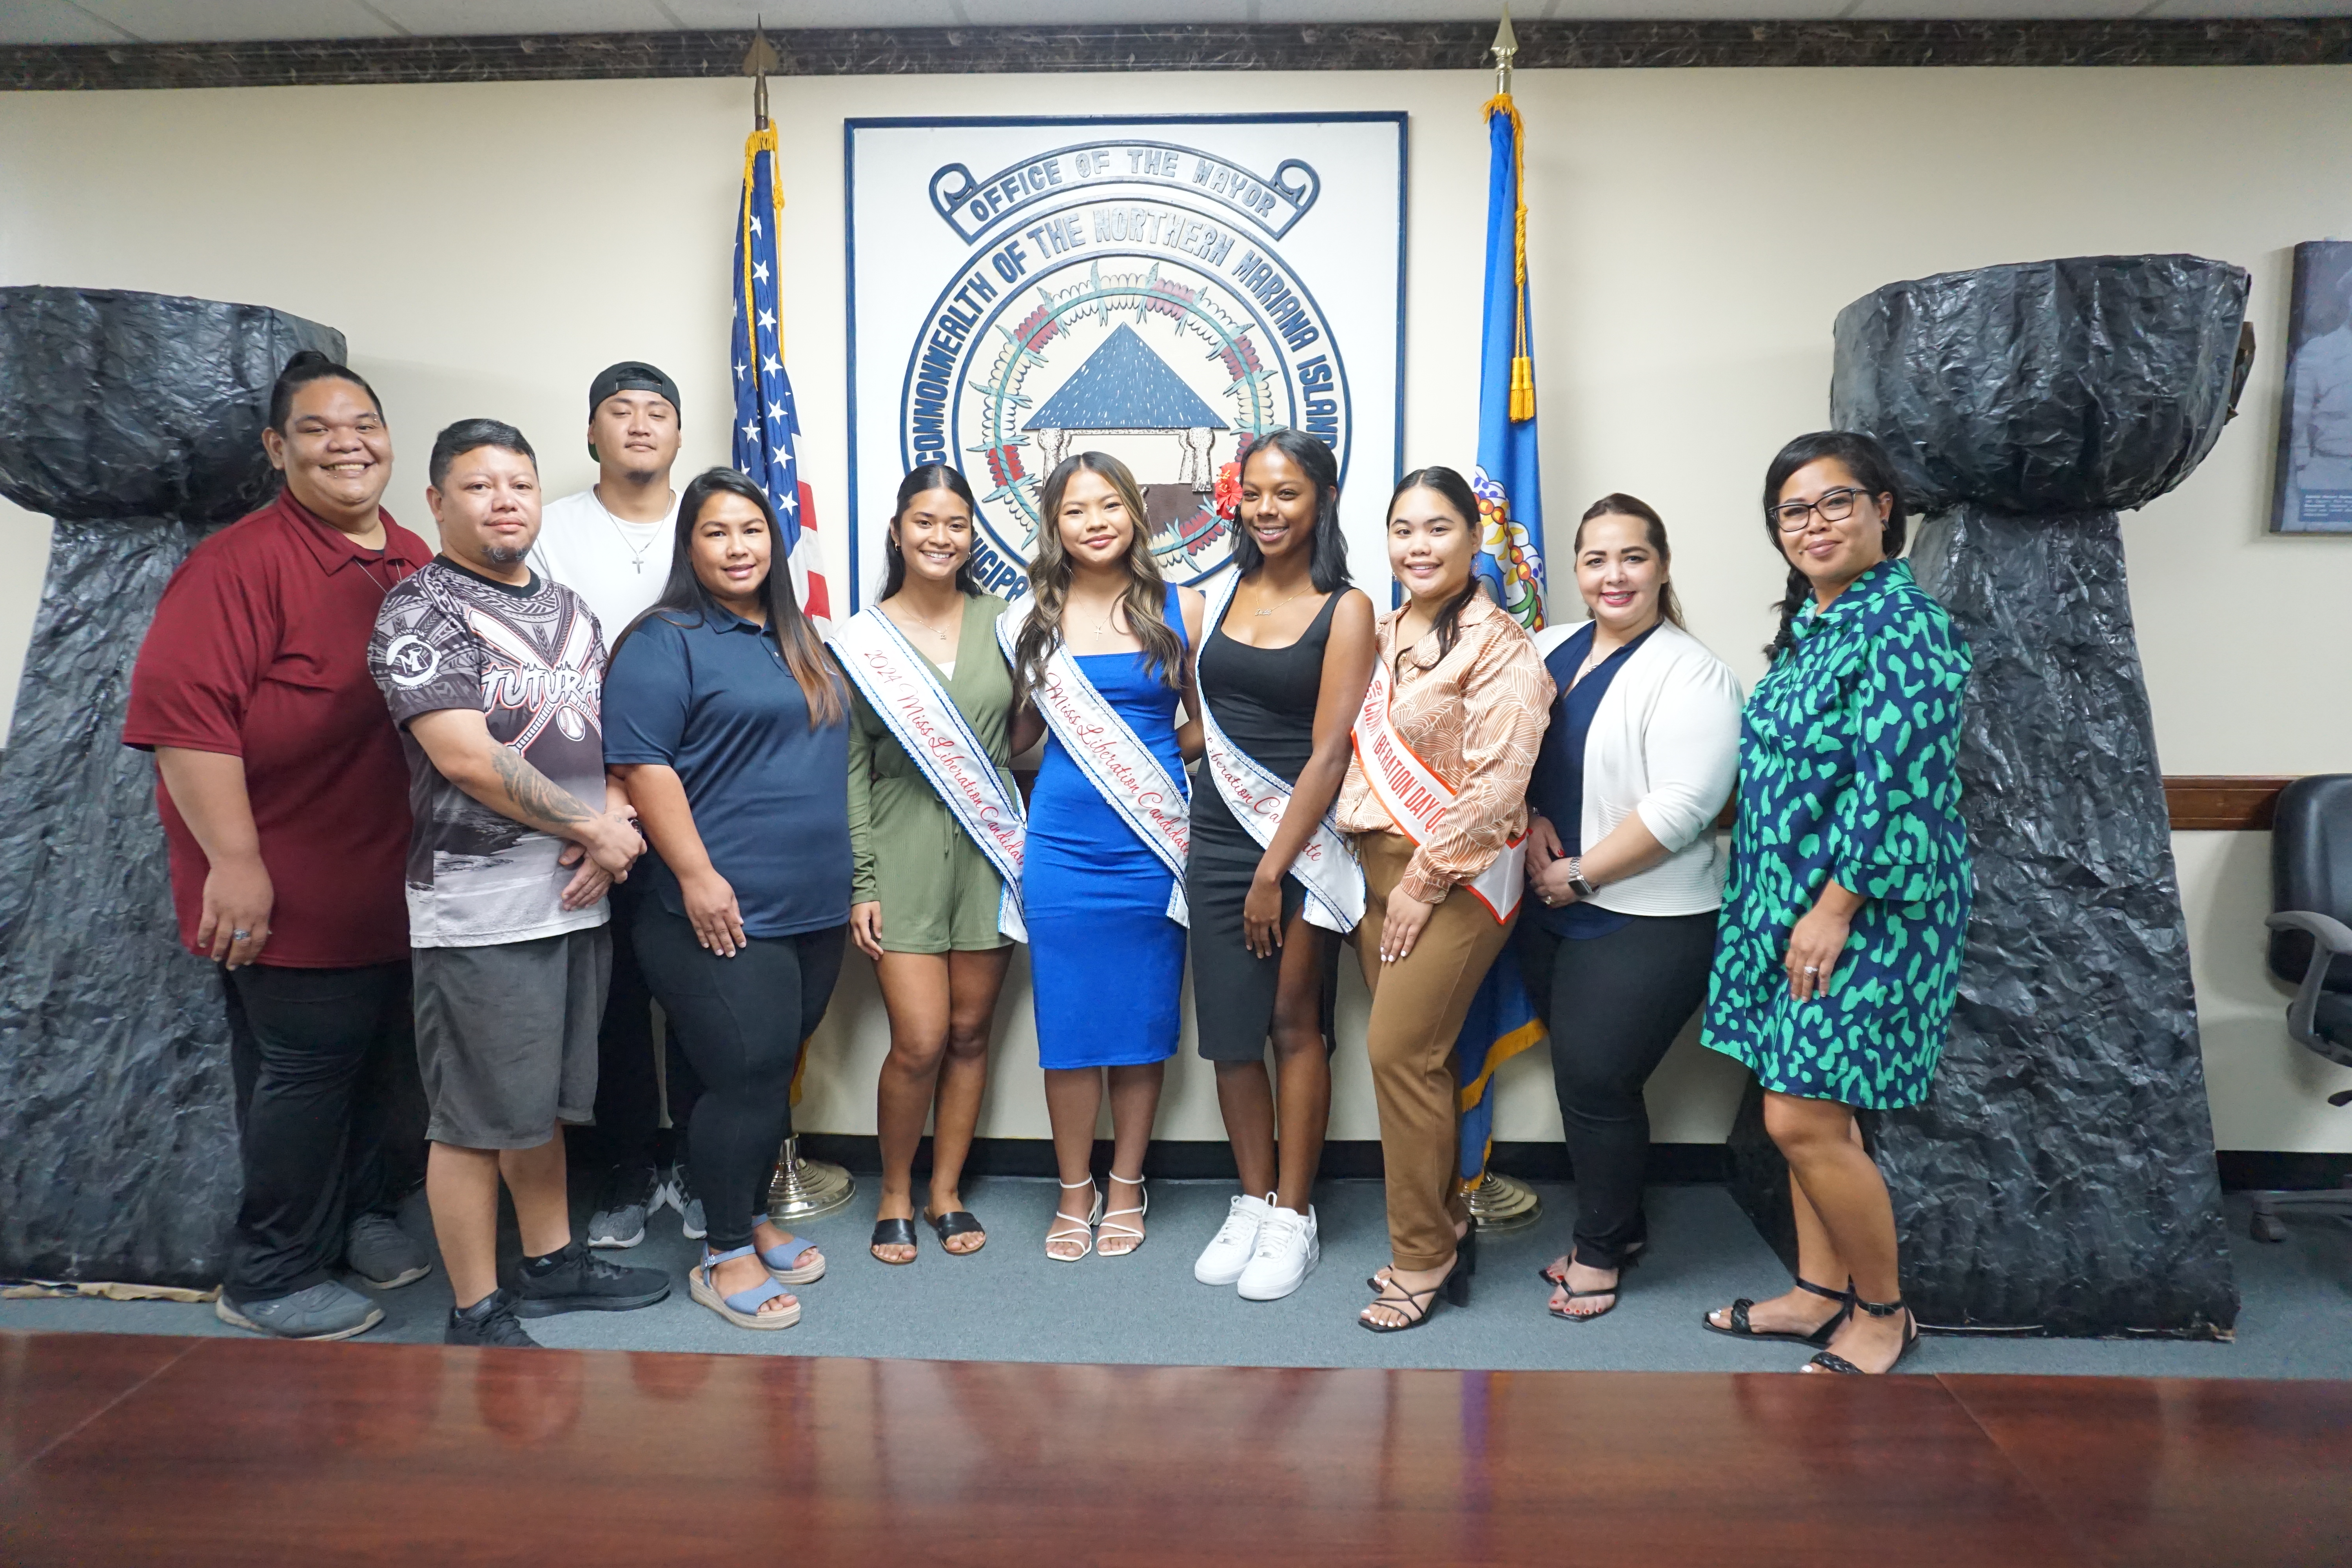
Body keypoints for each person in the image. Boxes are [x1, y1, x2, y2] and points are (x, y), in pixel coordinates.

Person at [124, 350, 435, 1342]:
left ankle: (362, 1218)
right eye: (316, 427)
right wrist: (237, 864)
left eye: (364, 424)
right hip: (286, 884)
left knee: (392, 1068)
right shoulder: (235, 565)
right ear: (277, 447)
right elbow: (186, 726)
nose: (347, 442)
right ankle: (269, 1270)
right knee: (303, 1076)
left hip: (397, 882)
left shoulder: (414, 557)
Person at [369, 418, 670, 1348]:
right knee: (471, 1117)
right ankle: (475, 1308)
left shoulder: (573, 608)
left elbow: (597, 741)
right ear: (437, 503)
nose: (504, 502)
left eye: (520, 485)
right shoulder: (420, 611)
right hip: (481, 908)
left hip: (575, 899)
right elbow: (464, 755)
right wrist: (596, 830)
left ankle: (550, 1261)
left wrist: (609, 823)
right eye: (479, 485)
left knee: (538, 1102)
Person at [1700, 430, 1971, 1375]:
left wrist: (1836, 906)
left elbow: (1896, 783)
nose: (1814, 524)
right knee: (1819, 1115)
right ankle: (1818, 1292)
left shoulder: (1906, 624)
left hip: (1865, 911)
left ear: (1883, 507)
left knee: (1801, 1119)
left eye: (1835, 501)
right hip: (1789, 905)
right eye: (1793, 510)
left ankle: (1887, 1311)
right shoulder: (1821, 621)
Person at [603, 468, 849, 1330]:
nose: (739, 547)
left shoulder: (800, 636)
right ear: (690, 544)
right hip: (712, 905)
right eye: (717, 531)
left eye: (753, 529)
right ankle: (722, 1254)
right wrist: (700, 876)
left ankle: (742, 1212)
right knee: (748, 1074)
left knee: (757, 1073)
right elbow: (642, 765)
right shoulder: (664, 638)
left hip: (813, 906)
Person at [1337, 466, 1551, 1331]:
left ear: (1474, 538)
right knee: (1412, 1065)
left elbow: (1500, 785)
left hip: (1454, 879)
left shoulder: (1502, 646)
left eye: (1436, 529)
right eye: (1402, 530)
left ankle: (1423, 1255)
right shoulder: (1379, 633)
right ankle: (1445, 1219)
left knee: (1399, 1052)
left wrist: (1424, 885)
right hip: (1372, 869)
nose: (1417, 547)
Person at [1520, 495, 1742, 1322]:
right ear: (1576, 570)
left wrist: (1579, 875)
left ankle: (1603, 1250)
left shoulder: (1693, 673)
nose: (1615, 575)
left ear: (1663, 564)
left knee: (1600, 1078)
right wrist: (1532, 822)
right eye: (1596, 559)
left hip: (1648, 914)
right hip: (1550, 904)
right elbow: (1510, 757)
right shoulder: (1547, 649)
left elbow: (1685, 806)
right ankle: (1623, 1224)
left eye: (1633, 557)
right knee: (1585, 1081)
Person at [1185, 431, 1374, 1302]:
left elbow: (1332, 751)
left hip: (1296, 842)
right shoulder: (1217, 593)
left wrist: (1274, 869)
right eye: (1255, 492)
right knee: (1229, 1032)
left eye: (1288, 493)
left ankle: (1295, 1215)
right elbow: (1201, 719)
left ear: (1323, 498)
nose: (1268, 509)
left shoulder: (1349, 607)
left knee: (1295, 1021)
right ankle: (1255, 1199)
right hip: (1216, 832)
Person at [1006, 452, 1204, 1261]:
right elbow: (1020, 743)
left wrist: (1158, 756)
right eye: (1076, 509)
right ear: (1054, 525)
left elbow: (1206, 724)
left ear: (1136, 513)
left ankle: (1126, 1185)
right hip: (1061, 840)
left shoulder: (1181, 604)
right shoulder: (1029, 617)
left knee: (1142, 1020)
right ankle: (1072, 1189)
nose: (1095, 521)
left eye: (1110, 504)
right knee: (1071, 1023)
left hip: (1151, 839)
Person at [526, 361, 699, 1249]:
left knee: (711, 985)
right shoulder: (550, 532)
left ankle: (706, 1171)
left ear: (680, 434)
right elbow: (555, 673)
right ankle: (630, 1171)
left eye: (657, 412)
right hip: (592, 803)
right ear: (591, 433)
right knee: (618, 995)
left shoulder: (709, 524)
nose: (639, 425)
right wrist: (614, 798)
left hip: (704, 795)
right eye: (619, 412)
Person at [835, 465, 1023, 1266]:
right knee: (920, 1038)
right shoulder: (862, 638)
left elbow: (1032, 737)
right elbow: (849, 768)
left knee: (973, 1032)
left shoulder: (1008, 623)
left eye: (955, 522)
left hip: (990, 852)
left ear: (972, 533)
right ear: (897, 529)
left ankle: (947, 1191)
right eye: (924, 521)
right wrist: (864, 880)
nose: (940, 536)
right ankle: (895, 1192)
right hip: (901, 851)